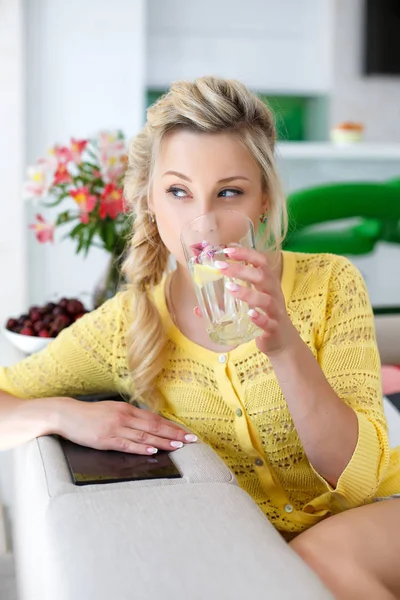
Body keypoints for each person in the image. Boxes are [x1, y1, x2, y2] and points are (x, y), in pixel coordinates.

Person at [1, 76, 400, 599]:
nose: (204, 223)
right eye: (179, 192)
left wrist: (285, 350)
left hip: (376, 518)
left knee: (314, 562)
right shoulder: (129, 323)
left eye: (229, 192)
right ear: (150, 201)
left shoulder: (330, 282)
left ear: (262, 201)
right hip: (258, 557)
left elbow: (360, 478)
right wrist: (61, 414)